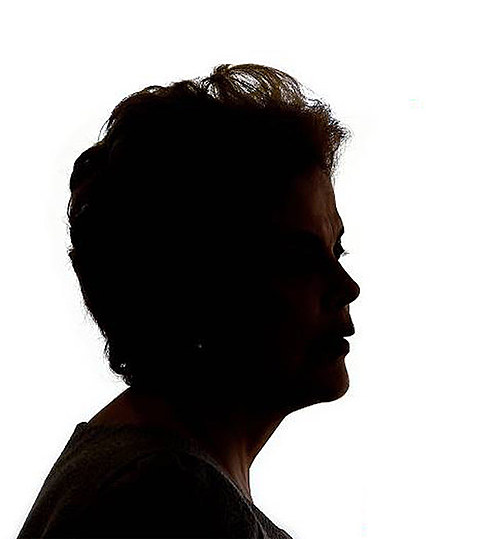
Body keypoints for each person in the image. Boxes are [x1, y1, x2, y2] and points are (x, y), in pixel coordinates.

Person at [17, 64, 361, 538]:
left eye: (336, 251)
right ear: (195, 283)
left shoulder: (145, 470)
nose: (346, 287)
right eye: (297, 260)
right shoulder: (171, 497)